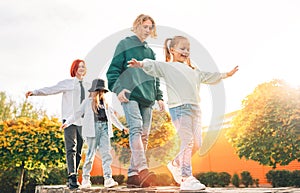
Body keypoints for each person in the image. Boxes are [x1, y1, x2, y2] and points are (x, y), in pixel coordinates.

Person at [127, 35, 239, 191]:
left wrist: (226, 74)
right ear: (172, 50)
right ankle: (186, 178)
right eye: (182, 49)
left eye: (188, 49)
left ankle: (175, 163)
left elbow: (209, 76)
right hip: (180, 108)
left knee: (197, 144)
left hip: (196, 109)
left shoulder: (193, 70)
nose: (186, 52)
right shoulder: (169, 67)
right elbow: (154, 65)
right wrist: (140, 64)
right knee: (187, 142)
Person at [106, 14, 164, 188]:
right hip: (129, 94)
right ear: (137, 25)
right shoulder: (125, 44)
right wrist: (117, 89)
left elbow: (155, 75)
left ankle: (132, 174)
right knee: (136, 129)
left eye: (150, 28)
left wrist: (159, 97)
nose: (147, 30)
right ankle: (143, 169)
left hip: (148, 97)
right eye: (145, 26)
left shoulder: (150, 52)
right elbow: (113, 69)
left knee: (144, 136)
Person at [26, 59, 90, 189]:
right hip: (69, 120)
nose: (81, 68)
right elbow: (51, 89)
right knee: (71, 147)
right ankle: (72, 176)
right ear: (74, 69)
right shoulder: (67, 83)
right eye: (79, 66)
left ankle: (75, 173)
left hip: (83, 121)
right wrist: (35, 92)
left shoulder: (88, 85)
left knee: (78, 151)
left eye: (83, 66)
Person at [60, 78, 129, 188]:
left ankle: (108, 178)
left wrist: (122, 127)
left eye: (102, 91)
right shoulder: (87, 102)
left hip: (105, 128)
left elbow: (112, 117)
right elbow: (77, 113)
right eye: (98, 90)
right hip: (93, 129)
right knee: (90, 154)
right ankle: (86, 179)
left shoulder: (105, 104)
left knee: (106, 154)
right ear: (94, 91)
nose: (100, 93)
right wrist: (67, 122)